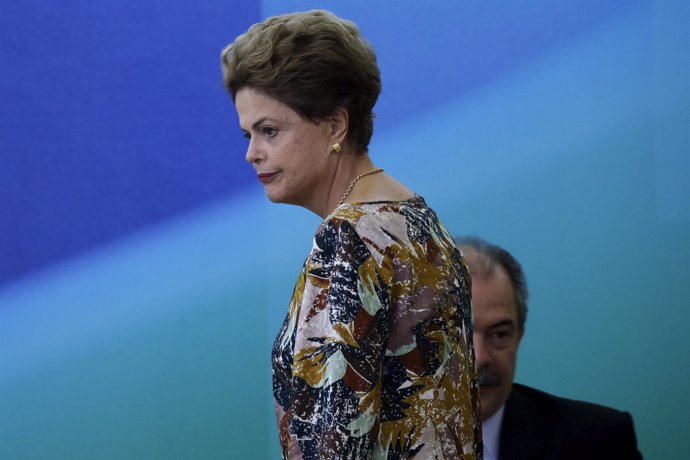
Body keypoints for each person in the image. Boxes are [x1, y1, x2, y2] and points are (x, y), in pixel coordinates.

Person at [221, 10, 482, 459]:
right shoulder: (418, 218)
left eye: (269, 131)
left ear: (336, 125)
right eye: (247, 133)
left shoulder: (347, 238)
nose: (251, 153)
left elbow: (334, 443)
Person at [454, 236, 643, 460]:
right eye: (457, 335)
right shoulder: (401, 438)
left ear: (519, 337)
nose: (480, 358)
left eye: (500, 334)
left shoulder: (600, 441)